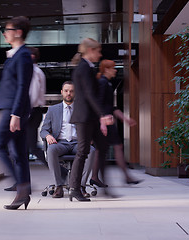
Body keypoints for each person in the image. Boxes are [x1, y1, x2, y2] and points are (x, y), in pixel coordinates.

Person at [0, 16, 32, 210]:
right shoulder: (16, 55)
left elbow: (23, 86)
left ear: (18, 32)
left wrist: (15, 114)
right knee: (19, 153)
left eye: (6, 30)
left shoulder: (23, 55)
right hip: (15, 108)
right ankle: (22, 195)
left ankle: (22, 187)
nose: (4, 33)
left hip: (13, 109)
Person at [68, 38, 114, 202]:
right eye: (98, 51)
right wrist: (103, 114)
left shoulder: (87, 67)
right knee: (82, 152)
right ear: (90, 50)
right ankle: (74, 187)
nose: (100, 54)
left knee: (102, 147)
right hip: (85, 117)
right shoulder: (83, 68)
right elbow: (89, 94)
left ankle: (102, 184)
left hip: (90, 117)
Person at [91, 59, 143, 185]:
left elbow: (111, 107)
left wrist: (125, 118)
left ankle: (96, 177)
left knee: (105, 149)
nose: (115, 70)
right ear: (106, 69)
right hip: (105, 122)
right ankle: (97, 177)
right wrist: (102, 122)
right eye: (113, 68)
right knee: (109, 148)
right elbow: (98, 104)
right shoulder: (103, 83)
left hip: (107, 120)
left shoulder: (107, 83)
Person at [40, 81, 95, 198]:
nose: (68, 93)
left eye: (71, 91)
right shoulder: (53, 110)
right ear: (62, 92)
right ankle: (59, 186)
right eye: (66, 91)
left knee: (92, 150)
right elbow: (43, 130)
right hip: (60, 143)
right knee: (51, 150)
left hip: (78, 143)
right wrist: (48, 136)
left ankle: (80, 186)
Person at [3, 47, 47, 192]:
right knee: (21, 149)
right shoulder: (35, 71)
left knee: (27, 148)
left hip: (30, 112)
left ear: (32, 56)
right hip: (31, 112)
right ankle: (22, 182)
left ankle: (62, 172)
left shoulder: (34, 72)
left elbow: (32, 95)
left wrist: (23, 113)